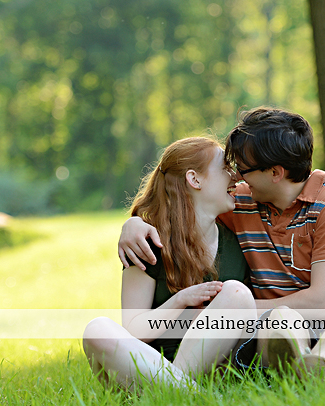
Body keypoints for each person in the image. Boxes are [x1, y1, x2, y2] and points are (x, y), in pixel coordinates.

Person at [119, 107, 325, 374]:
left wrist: (227, 311)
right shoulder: (241, 202)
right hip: (278, 328)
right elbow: (187, 208)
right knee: (281, 318)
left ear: (275, 173)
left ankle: (323, 361)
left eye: (243, 169)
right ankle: (308, 370)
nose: (236, 177)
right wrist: (135, 224)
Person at [83, 137, 256, 391]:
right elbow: (134, 330)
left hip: (209, 373)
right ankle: (184, 391)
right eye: (224, 168)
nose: (235, 176)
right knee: (97, 329)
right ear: (194, 179)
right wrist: (180, 300)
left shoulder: (236, 242)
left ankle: (176, 391)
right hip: (145, 371)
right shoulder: (147, 244)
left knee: (238, 294)